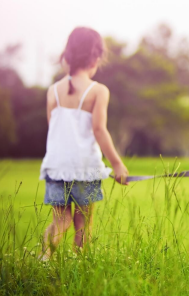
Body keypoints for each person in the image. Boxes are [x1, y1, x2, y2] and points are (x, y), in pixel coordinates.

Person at [40, 27, 129, 259]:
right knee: (83, 224)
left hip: (56, 167)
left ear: (67, 56)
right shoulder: (98, 91)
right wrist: (117, 164)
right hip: (85, 169)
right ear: (96, 58)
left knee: (60, 221)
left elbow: (54, 130)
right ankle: (81, 267)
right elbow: (99, 130)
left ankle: (43, 259)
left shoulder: (53, 91)